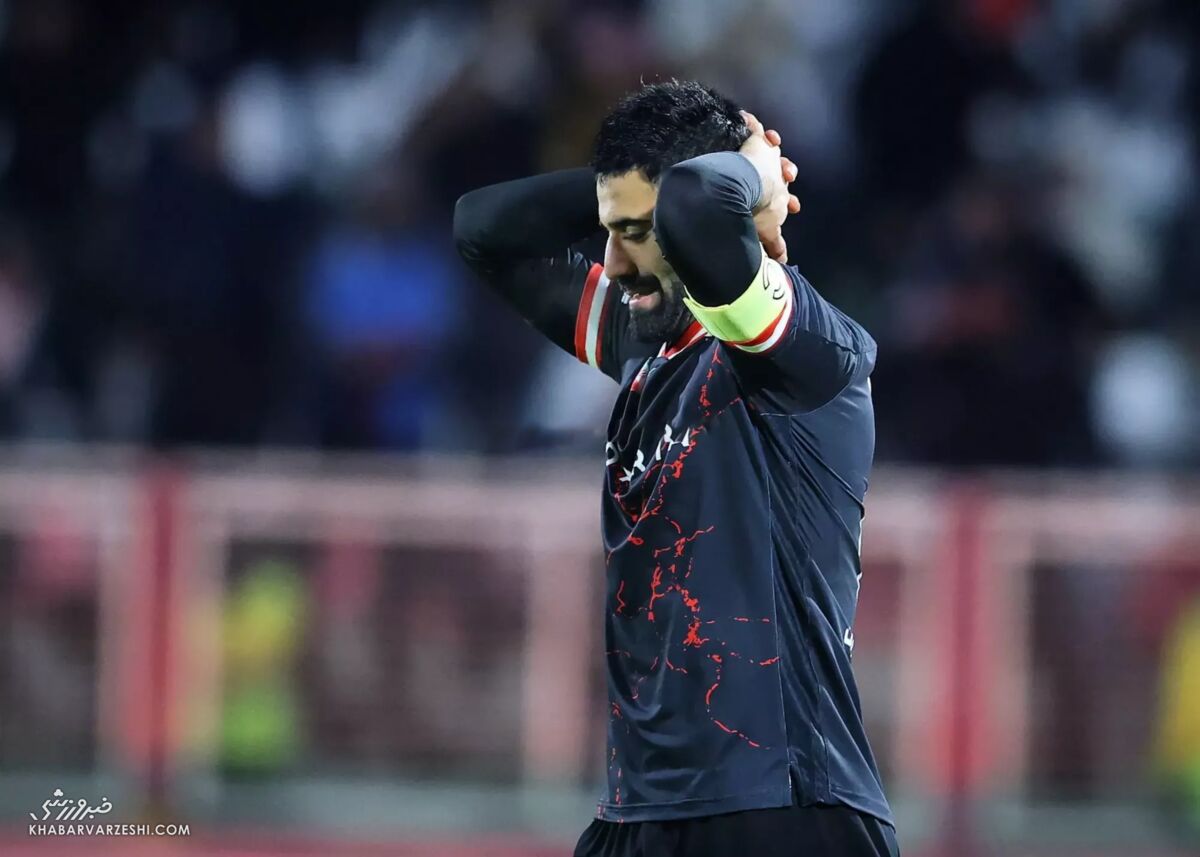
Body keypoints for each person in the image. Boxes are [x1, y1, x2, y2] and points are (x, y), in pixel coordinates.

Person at [454, 79, 897, 857]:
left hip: (787, 809)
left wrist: (756, 169)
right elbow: (482, 228)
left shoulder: (798, 349)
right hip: (640, 813)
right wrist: (623, 188)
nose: (614, 264)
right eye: (609, 230)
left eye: (636, 233)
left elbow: (695, 205)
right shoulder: (643, 348)